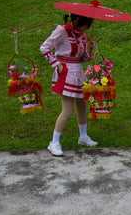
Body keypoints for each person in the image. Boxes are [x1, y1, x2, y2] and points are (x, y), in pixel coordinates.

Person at [40, 14, 97, 156]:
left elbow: (83, 59)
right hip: (65, 73)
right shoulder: (61, 31)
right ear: (78, 21)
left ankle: (83, 137)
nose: (85, 29)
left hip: (78, 72)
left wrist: (89, 48)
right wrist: (57, 64)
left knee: (83, 105)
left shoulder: (81, 36)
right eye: (85, 25)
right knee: (68, 110)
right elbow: (44, 47)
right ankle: (53, 142)